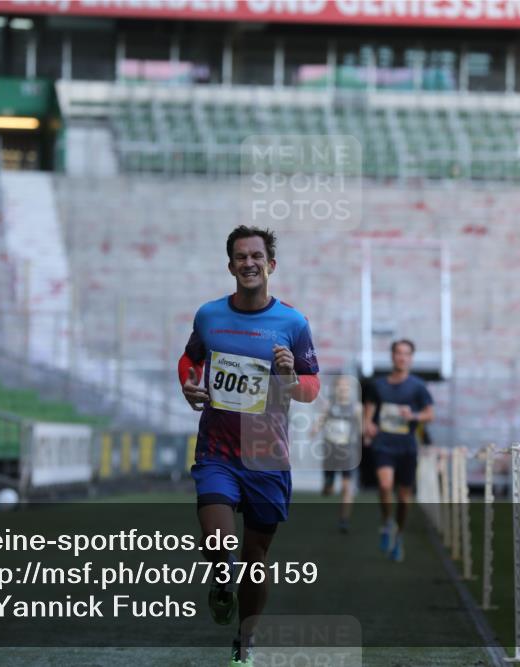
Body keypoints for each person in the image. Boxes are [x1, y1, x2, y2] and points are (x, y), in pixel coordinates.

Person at [178, 225, 319, 667]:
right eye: (241, 257)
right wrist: (189, 385)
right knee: (219, 542)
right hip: (217, 451)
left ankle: (245, 640)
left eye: (257, 256)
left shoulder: (294, 324)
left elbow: (312, 389)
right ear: (231, 265)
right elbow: (189, 359)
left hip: (267, 454)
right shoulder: (209, 316)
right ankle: (222, 581)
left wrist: (290, 377)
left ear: (270, 265)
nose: (249, 263)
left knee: (255, 556)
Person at [362, 339, 433, 563]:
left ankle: (399, 536)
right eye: (398, 353)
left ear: (411, 358)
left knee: (404, 498)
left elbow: (430, 414)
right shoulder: (378, 385)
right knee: (384, 485)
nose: (402, 357)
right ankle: (386, 522)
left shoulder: (418, 386)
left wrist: (413, 416)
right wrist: (368, 426)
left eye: (406, 354)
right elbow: (368, 412)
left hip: (407, 447)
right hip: (384, 444)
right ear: (392, 356)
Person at [314, 375, 361, 533]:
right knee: (329, 491)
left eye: (346, 387)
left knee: (347, 488)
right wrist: (315, 428)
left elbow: (362, 427)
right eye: (340, 386)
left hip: (347, 453)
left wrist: (366, 435)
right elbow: (321, 420)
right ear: (335, 388)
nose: (343, 389)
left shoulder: (356, 408)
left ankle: (344, 519)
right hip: (330, 452)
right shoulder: (329, 405)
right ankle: (329, 482)